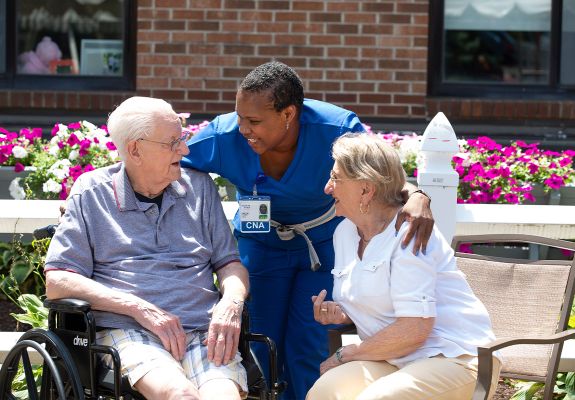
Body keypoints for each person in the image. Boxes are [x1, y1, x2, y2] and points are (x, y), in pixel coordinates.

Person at [181, 61, 434, 399]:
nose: (244, 129)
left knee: (307, 343)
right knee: (261, 342)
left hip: (323, 245)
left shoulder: (335, 127)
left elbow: (378, 173)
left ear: (289, 114)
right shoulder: (224, 135)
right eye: (240, 116)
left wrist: (416, 194)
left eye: (255, 121)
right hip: (261, 246)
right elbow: (170, 167)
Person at [44, 96, 249, 400]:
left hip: (204, 333)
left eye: (183, 138)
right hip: (131, 333)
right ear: (135, 150)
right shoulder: (91, 192)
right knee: (180, 395)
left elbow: (229, 263)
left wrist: (231, 304)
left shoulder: (199, 189)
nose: (185, 149)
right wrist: (139, 308)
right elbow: (58, 281)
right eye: (172, 142)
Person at [307, 133, 501, 400]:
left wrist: (347, 353)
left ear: (366, 189)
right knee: (325, 392)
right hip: (393, 358)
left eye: (336, 178)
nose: (328, 188)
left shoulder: (410, 232)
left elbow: (414, 329)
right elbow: (381, 298)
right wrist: (344, 313)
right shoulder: (344, 233)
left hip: (456, 358)